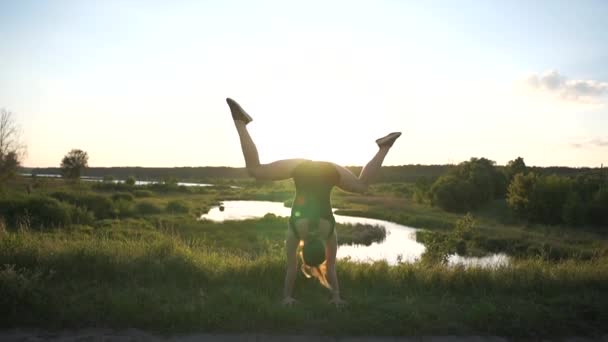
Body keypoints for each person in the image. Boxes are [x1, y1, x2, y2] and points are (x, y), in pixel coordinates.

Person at [226, 98, 401, 307]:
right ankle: (240, 123)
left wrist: (337, 296)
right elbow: (291, 268)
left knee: (362, 185)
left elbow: (331, 268)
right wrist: (286, 297)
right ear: (303, 250)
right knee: (255, 170)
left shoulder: (329, 232)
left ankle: (383, 147)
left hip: (328, 169)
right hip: (301, 168)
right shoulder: (295, 231)